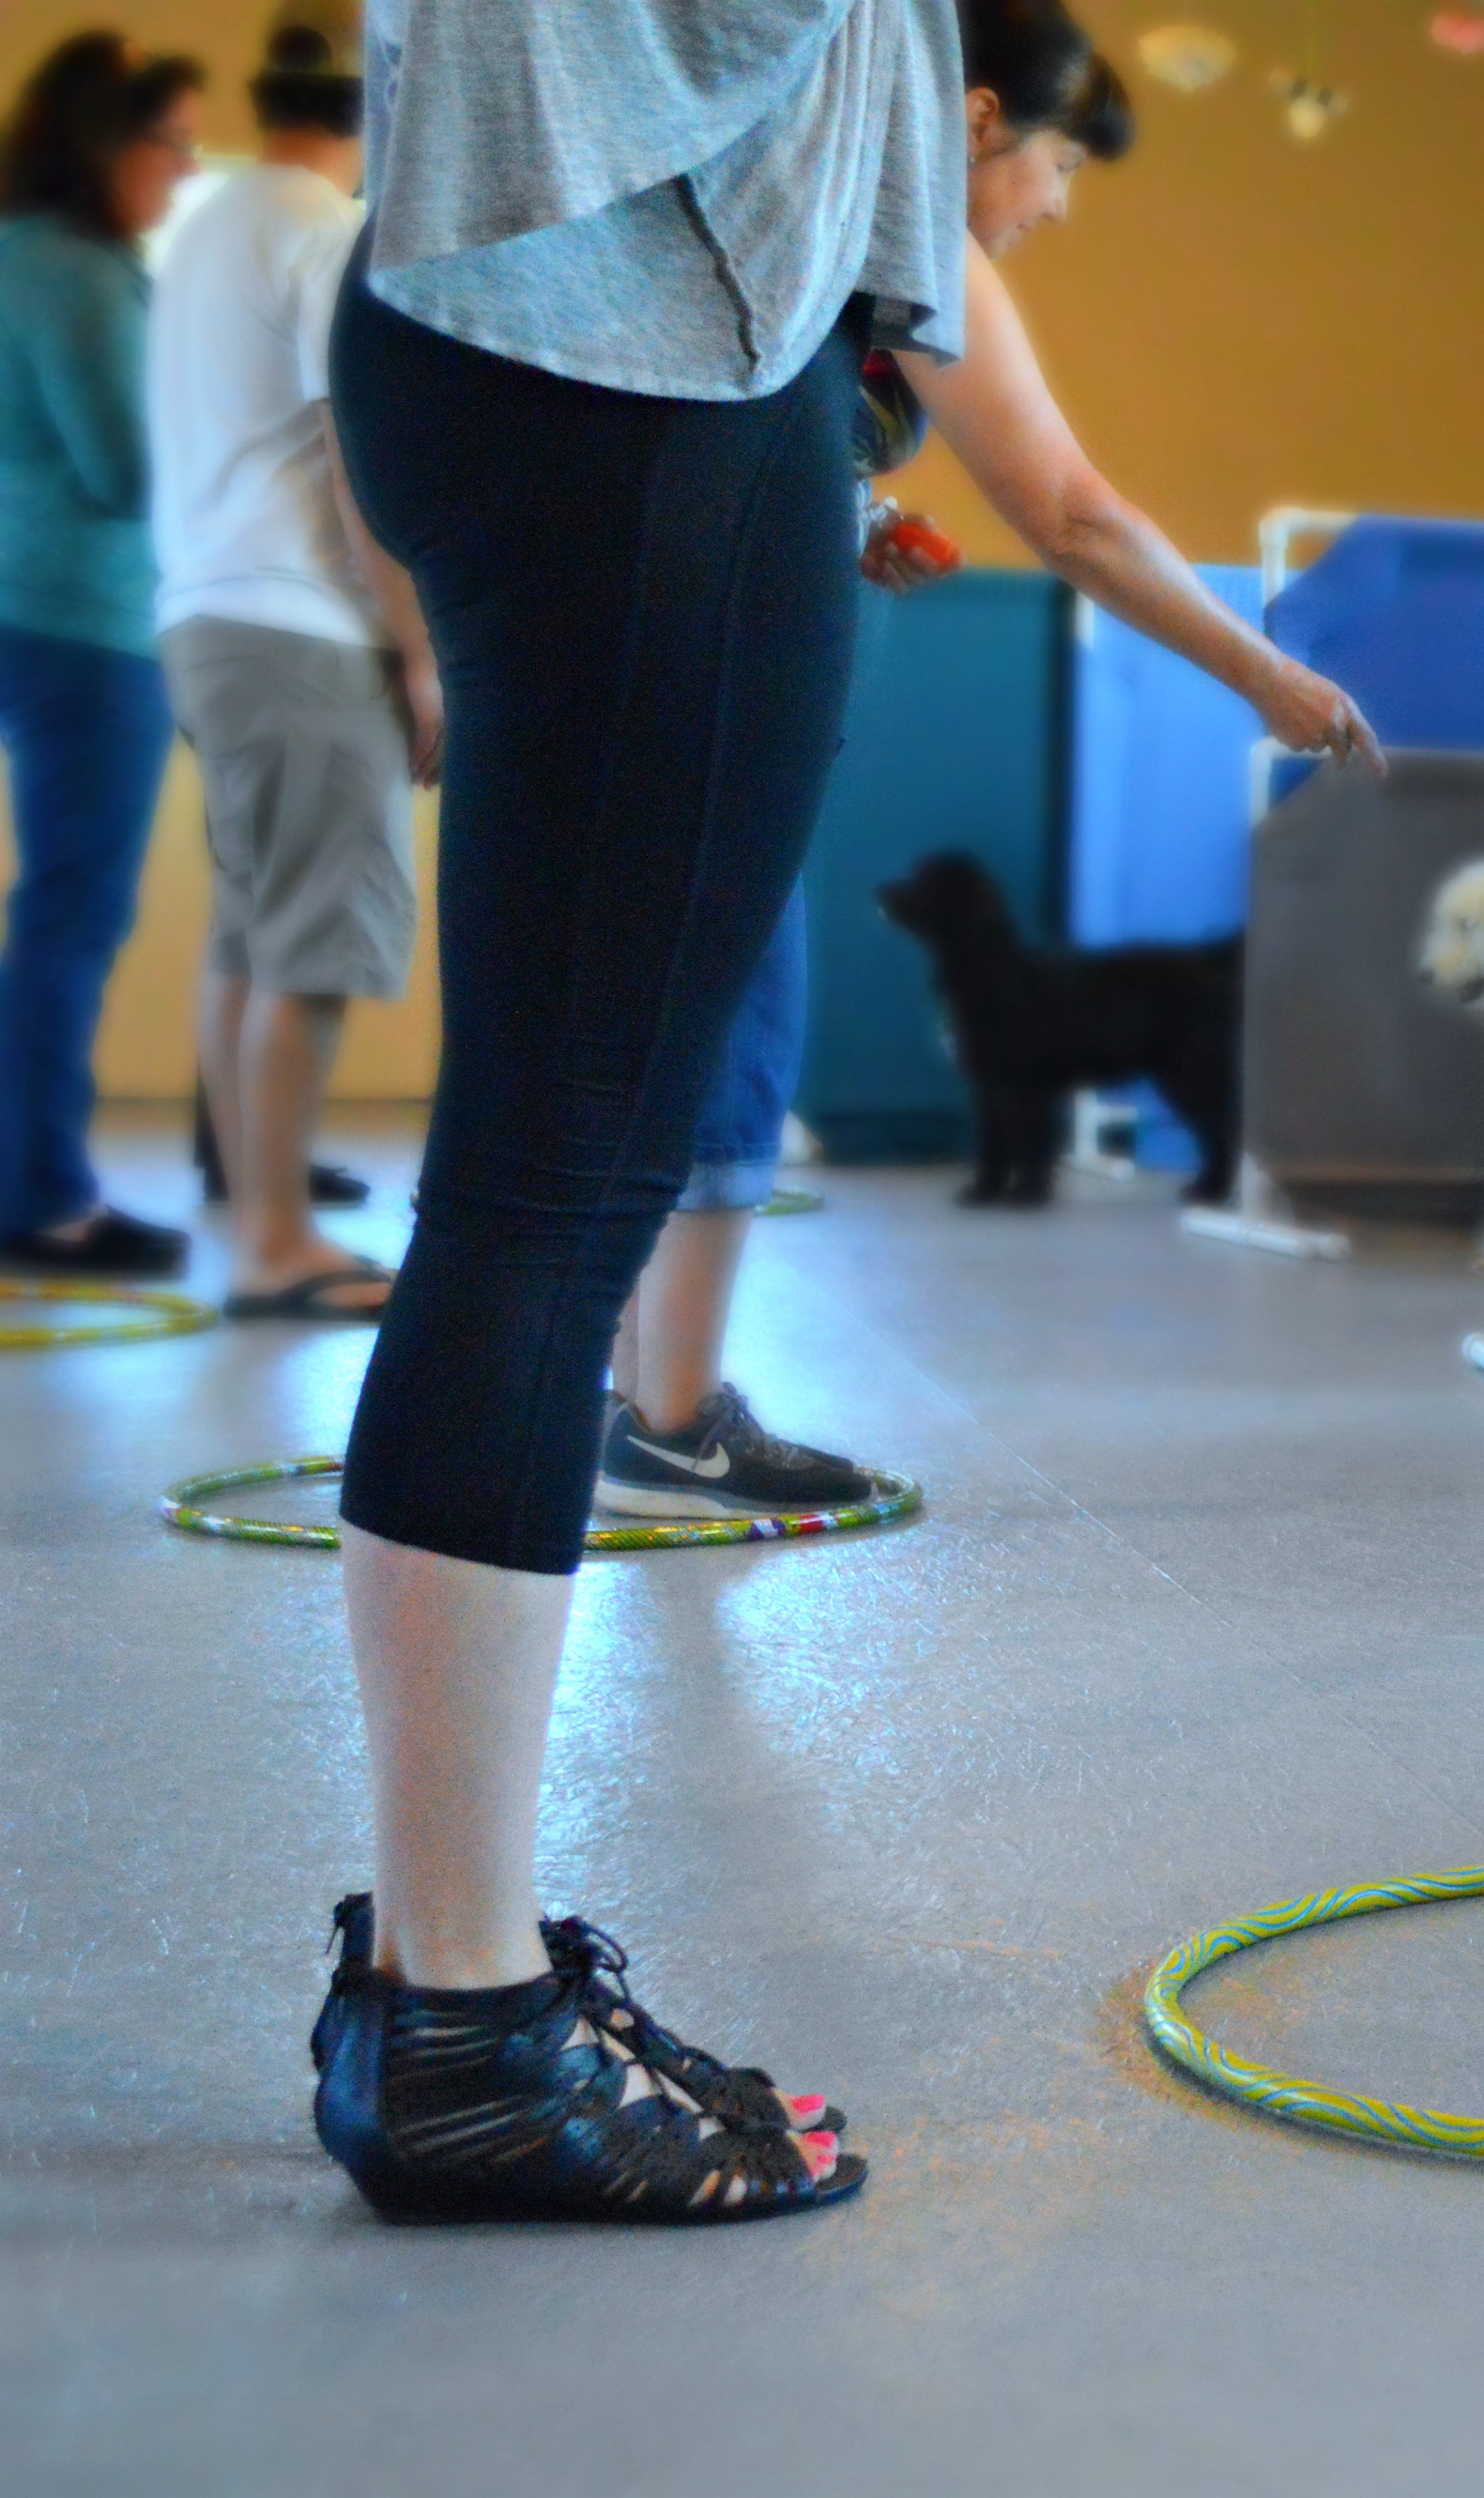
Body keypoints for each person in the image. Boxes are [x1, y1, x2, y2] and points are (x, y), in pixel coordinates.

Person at [307, 0, 974, 2228]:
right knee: (554, 1184)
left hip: (514, 327)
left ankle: (438, 1969)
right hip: (642, 354)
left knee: (535, 1178)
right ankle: (469, 2032)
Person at [594, 0, 1385, 1520]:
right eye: (1060, 167)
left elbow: (715, 420)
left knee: (653, 1022)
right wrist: (1264, 672)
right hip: (700, 677)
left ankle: (633, 1385)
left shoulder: (765, 188)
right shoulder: (901, 226)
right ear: (965, 120)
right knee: (738, 1028)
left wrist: (853, 516)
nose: (1055, 208)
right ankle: (673, 1422)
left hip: (608, 647)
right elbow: (1073, 513)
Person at [151, 0, 435, 1324]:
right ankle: (274, 1243)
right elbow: (359, 452)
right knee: (313, 941)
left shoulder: (208, 219)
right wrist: (421, 656)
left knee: (254, 929)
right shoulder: (325, 233)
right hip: (302, 622)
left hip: (206, 614)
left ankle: (250, 1212)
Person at [0, 31, 203, 1278]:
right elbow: (128, 467)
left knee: (54, 920)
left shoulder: (18, 257)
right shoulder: (77, 274)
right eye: (170, 145)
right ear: (104, 140)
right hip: (84, 627)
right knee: (70, 921)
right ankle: (45, 1200)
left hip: (34, 607)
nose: (181, 174)